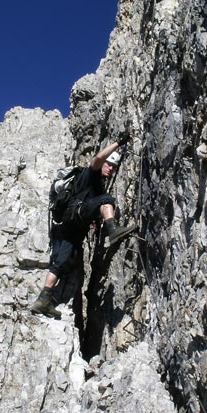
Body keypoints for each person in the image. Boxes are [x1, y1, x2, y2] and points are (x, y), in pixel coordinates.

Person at [30, 134, 136, 318]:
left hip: (68, 229)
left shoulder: (96, 184)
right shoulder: (90, 174)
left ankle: (43, 299)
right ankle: (113, 230)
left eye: (114, 167)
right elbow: (97, 158)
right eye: (109, 164)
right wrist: (119, 142)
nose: (111, 168)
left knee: (61, 263)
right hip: (75, 217)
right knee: (106, 199)